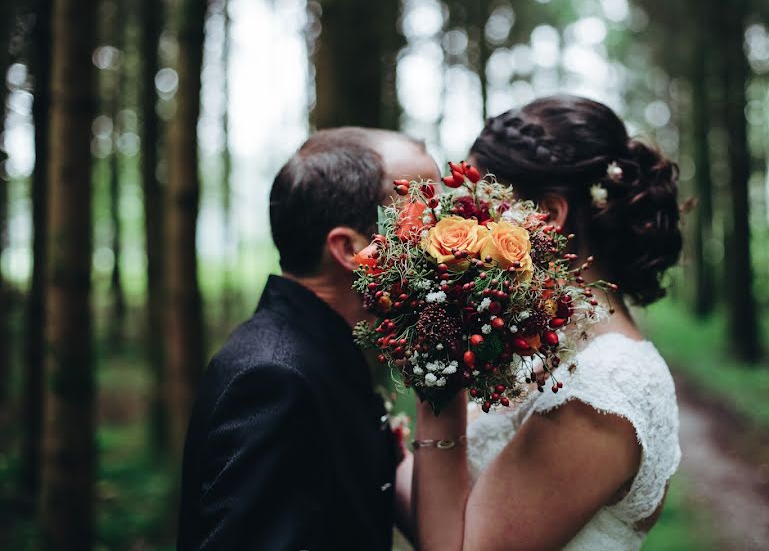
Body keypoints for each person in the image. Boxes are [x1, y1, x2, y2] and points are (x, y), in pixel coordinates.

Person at [408, 95, 683, 550]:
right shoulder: (548, 349)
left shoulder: (602, 390)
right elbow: (451, 504)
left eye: (481, 209)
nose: (467, 229)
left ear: (548, 216)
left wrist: (436, 396)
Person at [176, 127, 438, 550]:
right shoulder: (274, 379)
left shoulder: (325, 350)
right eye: (426, 217)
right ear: (350, 249)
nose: (445, 240)